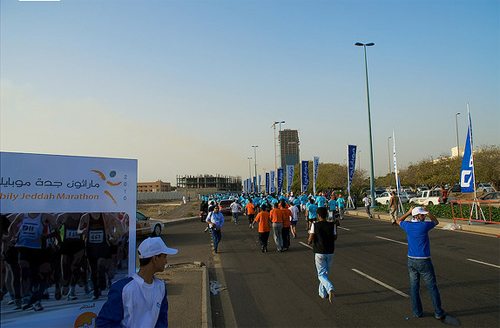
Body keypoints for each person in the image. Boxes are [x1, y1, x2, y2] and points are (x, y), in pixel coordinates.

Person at [96, 237, 178, 327]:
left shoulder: (161, 287)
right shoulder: (123, 289)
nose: (166, 261)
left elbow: (161, 319)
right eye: (164, 257)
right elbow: (104, 323)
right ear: (154, 259)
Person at [397, 206, 445, 320]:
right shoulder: (424, 226)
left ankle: (417, 312)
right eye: (422, 215)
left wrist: (408, 212)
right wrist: (428, 212)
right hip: (424, 260)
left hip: (411, 260)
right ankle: (438, 312)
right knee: (432, 287)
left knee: (414, 288)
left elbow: (399, 220)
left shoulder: (408, 226)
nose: (423, 216)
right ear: (417, 216)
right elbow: (436, 221)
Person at [307, 207, 337, 302]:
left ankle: (329, 288)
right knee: (325, 273)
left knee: (321, 274)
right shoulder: (332, 225)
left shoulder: (315, 225)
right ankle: (322, 293)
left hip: (319, 252)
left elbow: (310, 238)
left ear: (318, 215)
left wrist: (309, 242)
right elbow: (335, 237)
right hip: (330, 251)